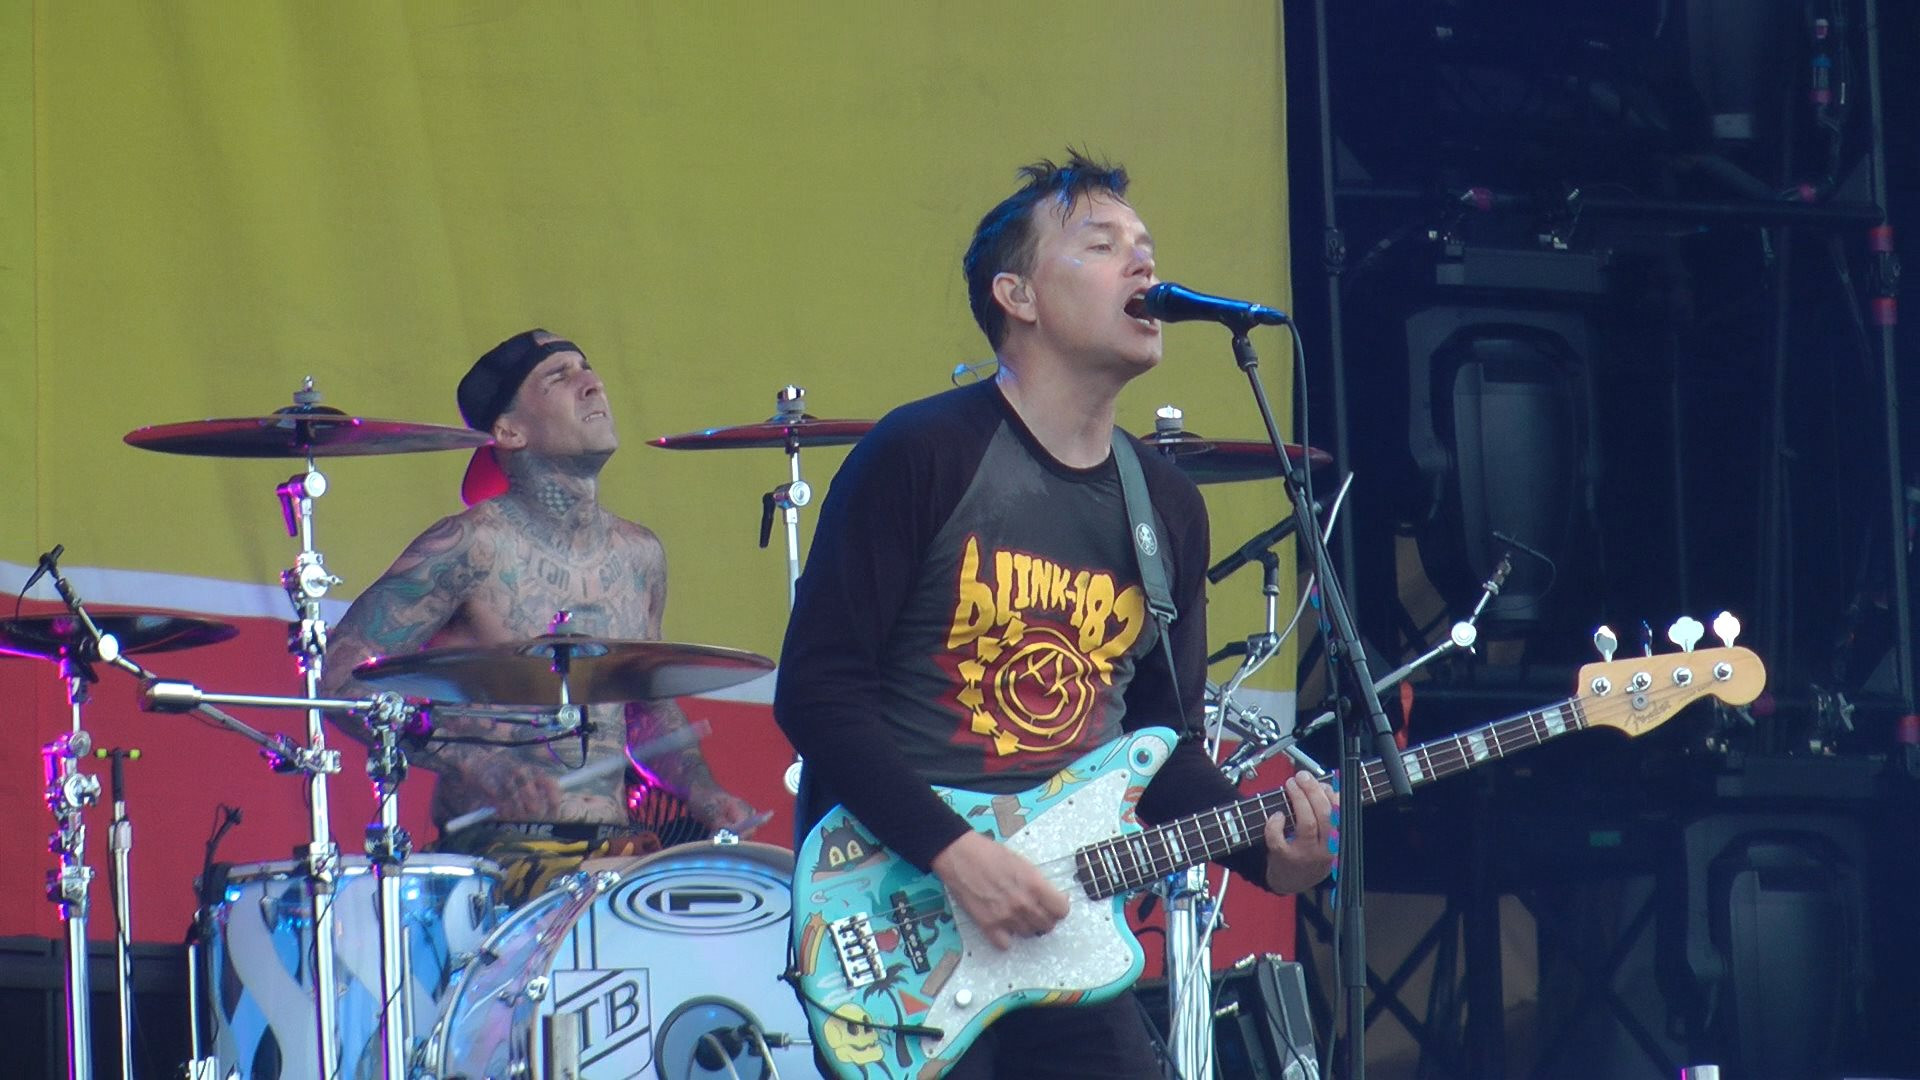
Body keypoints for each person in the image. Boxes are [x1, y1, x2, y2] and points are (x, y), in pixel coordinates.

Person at [774, 153, 1338, 1078]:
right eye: (1103, 245)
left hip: (1063, 928)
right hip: (905, 909)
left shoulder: (1166, 507)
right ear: (1018, 296)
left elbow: (1162, 742)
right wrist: (955, 852)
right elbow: (818, 692)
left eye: (1146, 248)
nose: (1143, 265)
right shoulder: (922, 453)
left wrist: (1269, 853)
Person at [320, 329, 761, 906]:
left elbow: (643, 706)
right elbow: (340, 676)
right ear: (509, 431)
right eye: (559, 377)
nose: (592, 383)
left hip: (615, 853)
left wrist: (703, 793)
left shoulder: (641, 556)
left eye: (587, 367)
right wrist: (475, 764)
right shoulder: (472, 545)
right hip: (496, 860)